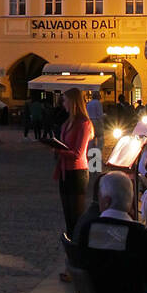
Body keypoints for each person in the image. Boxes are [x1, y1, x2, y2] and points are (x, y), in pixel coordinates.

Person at [49, 88, 94, 262]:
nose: (63, 103)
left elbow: (77, 152)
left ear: (74, 102)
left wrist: (57, 149)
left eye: (65, 100)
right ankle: (72, 258)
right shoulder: (69, 121)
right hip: (64, 171)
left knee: (76, 217)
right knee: (68, 216)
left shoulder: (84, 123)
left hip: (77, 172)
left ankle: (79, 258)